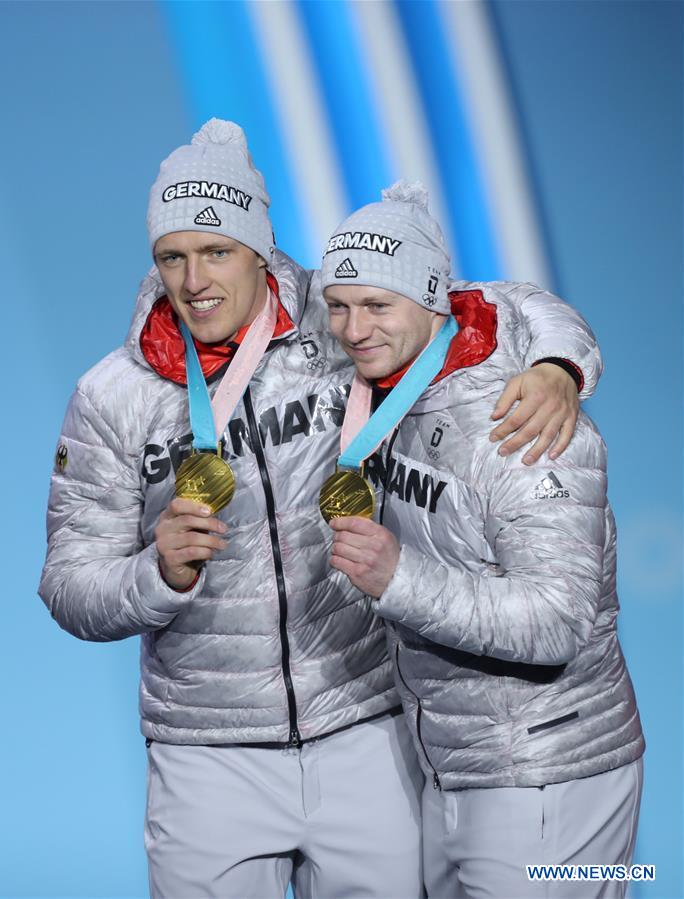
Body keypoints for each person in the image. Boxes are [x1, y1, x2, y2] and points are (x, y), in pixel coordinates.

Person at [39, 121, 604, 899]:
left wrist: (558, 364)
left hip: (368, 731)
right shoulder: (111, 396)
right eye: (173, 255)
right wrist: (154, 572)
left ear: (261, 249)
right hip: (208, 753)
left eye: (217, 251)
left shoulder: (339, 324)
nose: (194, 278)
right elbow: (68, 586)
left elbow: (489, 305)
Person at [322, 182, 644, 899]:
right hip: (456, 761)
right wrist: (562, 350)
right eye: (339, 305)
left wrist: (399, 578)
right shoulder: (401, 378)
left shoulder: (523, 424)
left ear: (433, 303)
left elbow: (558, 620)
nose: (352, 328)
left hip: (549, 772)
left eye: (377, 305)